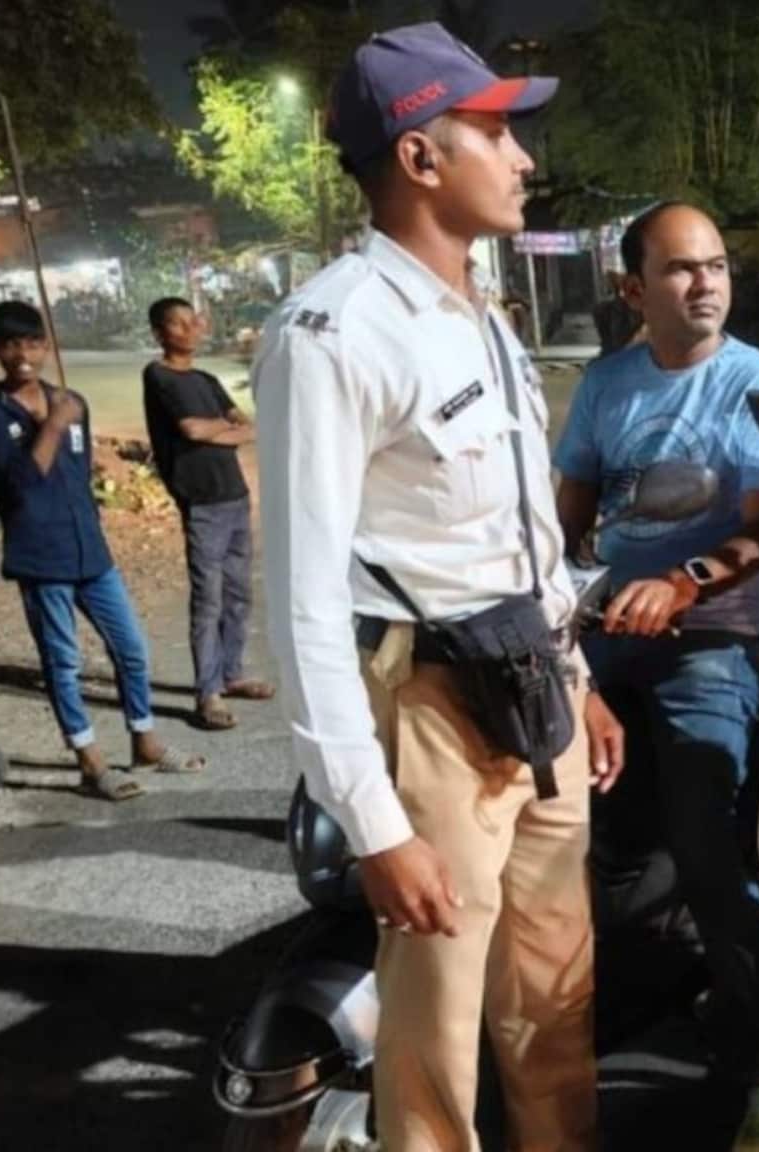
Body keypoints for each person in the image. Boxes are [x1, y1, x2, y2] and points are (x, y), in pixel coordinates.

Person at [254, 23, 622, 1150]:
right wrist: (373, 825)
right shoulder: (329, 335)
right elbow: (303, 600)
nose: (521, 160)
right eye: (496, 134)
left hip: (541, 697)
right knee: (435, 1047)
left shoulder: (480, 313)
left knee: (553, 1007)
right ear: (420, 157)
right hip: (438, 720)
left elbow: (523, 536)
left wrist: (583, 676)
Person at [553, 201, 759, 1123]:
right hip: (602, 634)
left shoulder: (757, 382)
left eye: (715, 265)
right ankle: (605, 993)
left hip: (711, 637)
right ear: (633, 289)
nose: (705, 283)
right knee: (561, 824)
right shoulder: (606, 384)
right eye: (680, 269)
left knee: (706, 839)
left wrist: (684, 581)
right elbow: (568, 515)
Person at [0, 302, 203, 802]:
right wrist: (51, 425)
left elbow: (77, 474)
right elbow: (23, 483)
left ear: (46, 348)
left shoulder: (71, 401)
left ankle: (145, 742)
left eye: (32, 343)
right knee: (63, 662)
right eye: (11, 345)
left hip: (91, 553)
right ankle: (90, 761)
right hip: (40, 555)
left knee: (133, 650)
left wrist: (62, 418)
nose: (23, 355)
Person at [143, 296, 272, 732]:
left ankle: (231, 674)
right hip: (201, 503)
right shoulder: (158, 375)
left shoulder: (206, 378)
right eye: (177, 324)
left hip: (234, 495)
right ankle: (208, 692)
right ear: (160, 333)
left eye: (191, 320)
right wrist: (223, 430)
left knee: (239, 594)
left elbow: (248, 426)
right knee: (208, 599)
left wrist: (219, 430)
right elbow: (192, 430)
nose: (190, 328)